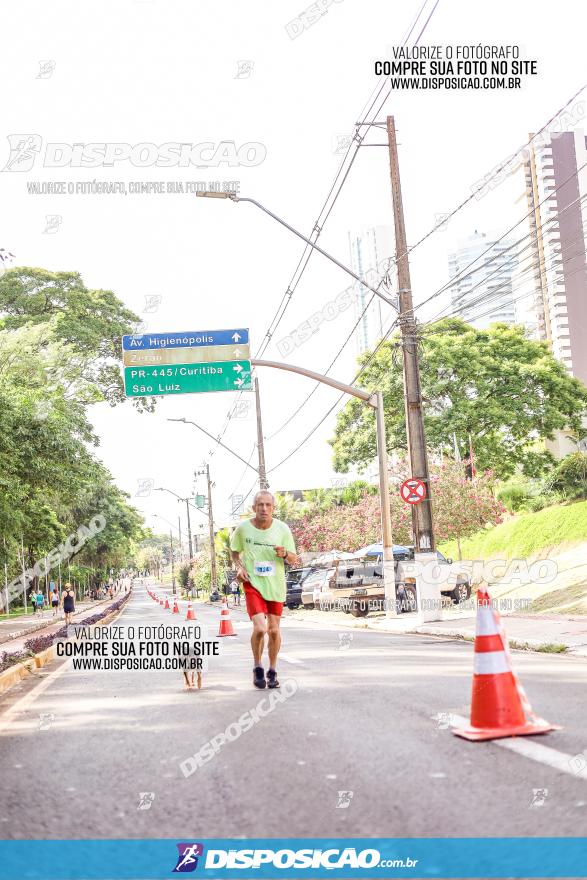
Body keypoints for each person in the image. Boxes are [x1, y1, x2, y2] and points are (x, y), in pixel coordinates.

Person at [230, 490, 299, 690]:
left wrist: (285, 553)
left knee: (274, 630)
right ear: (254, 508)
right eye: (260, 505)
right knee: (260, 628)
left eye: (268, 505)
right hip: (253, 583)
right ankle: (258, 666)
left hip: (275, 585)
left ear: (273, 508)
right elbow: (234, 552)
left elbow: (293, 559)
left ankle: (273, 670)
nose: (264, 509)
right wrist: (240, 567)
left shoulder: (282, 529)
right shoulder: (243, 529)